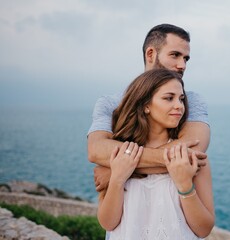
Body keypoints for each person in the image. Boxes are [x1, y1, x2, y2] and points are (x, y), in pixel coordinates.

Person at [87, 24, 210, 191]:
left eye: (186, 59)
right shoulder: (111, 103)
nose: (182, 65)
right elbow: (96, 150)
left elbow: (194, 149)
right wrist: (171, 159)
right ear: (151, 54)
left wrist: (116, 170)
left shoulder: (192, 101)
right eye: (175, 55)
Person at [97, 69, 215, 239]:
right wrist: (117, 179)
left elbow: (204, 229)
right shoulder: (120, 154)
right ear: (146, 105)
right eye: (169, 98)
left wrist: (184, 186)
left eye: (181, 99)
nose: (179, 106)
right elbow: (108, 223)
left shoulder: (189, 157)